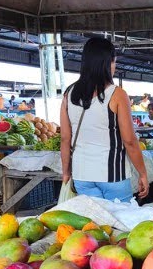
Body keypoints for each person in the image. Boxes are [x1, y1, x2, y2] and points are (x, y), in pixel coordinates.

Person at [60, 36, 148, 203]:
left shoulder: (68, 94)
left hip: (81, 175)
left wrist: (66, 172)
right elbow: (129, 140)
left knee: (94, 219)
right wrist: (142, 173)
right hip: (112, 175)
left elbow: (65, 138)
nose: (114, 66)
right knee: (120, 218)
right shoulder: (117, 94)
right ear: (107, 63)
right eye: (114, 62)